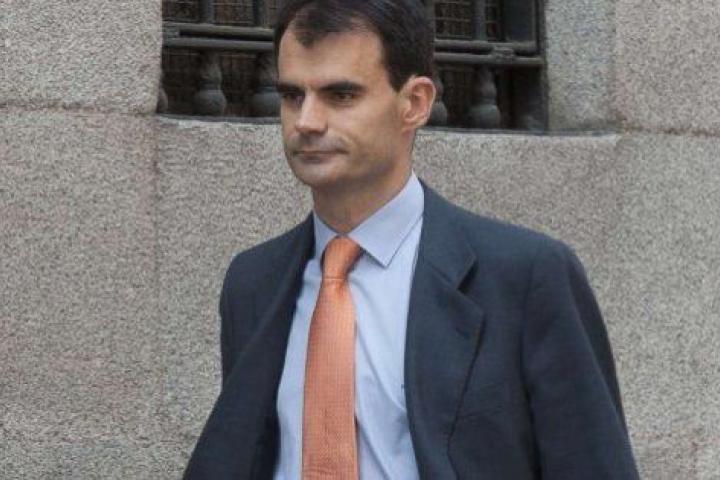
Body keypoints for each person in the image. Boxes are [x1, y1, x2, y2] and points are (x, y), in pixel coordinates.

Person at [183, 0, 640, 478]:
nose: (307, 122)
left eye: (341, 95)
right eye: (293, 95)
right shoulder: (253, 283)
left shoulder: (524, 277)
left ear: (415, 103)